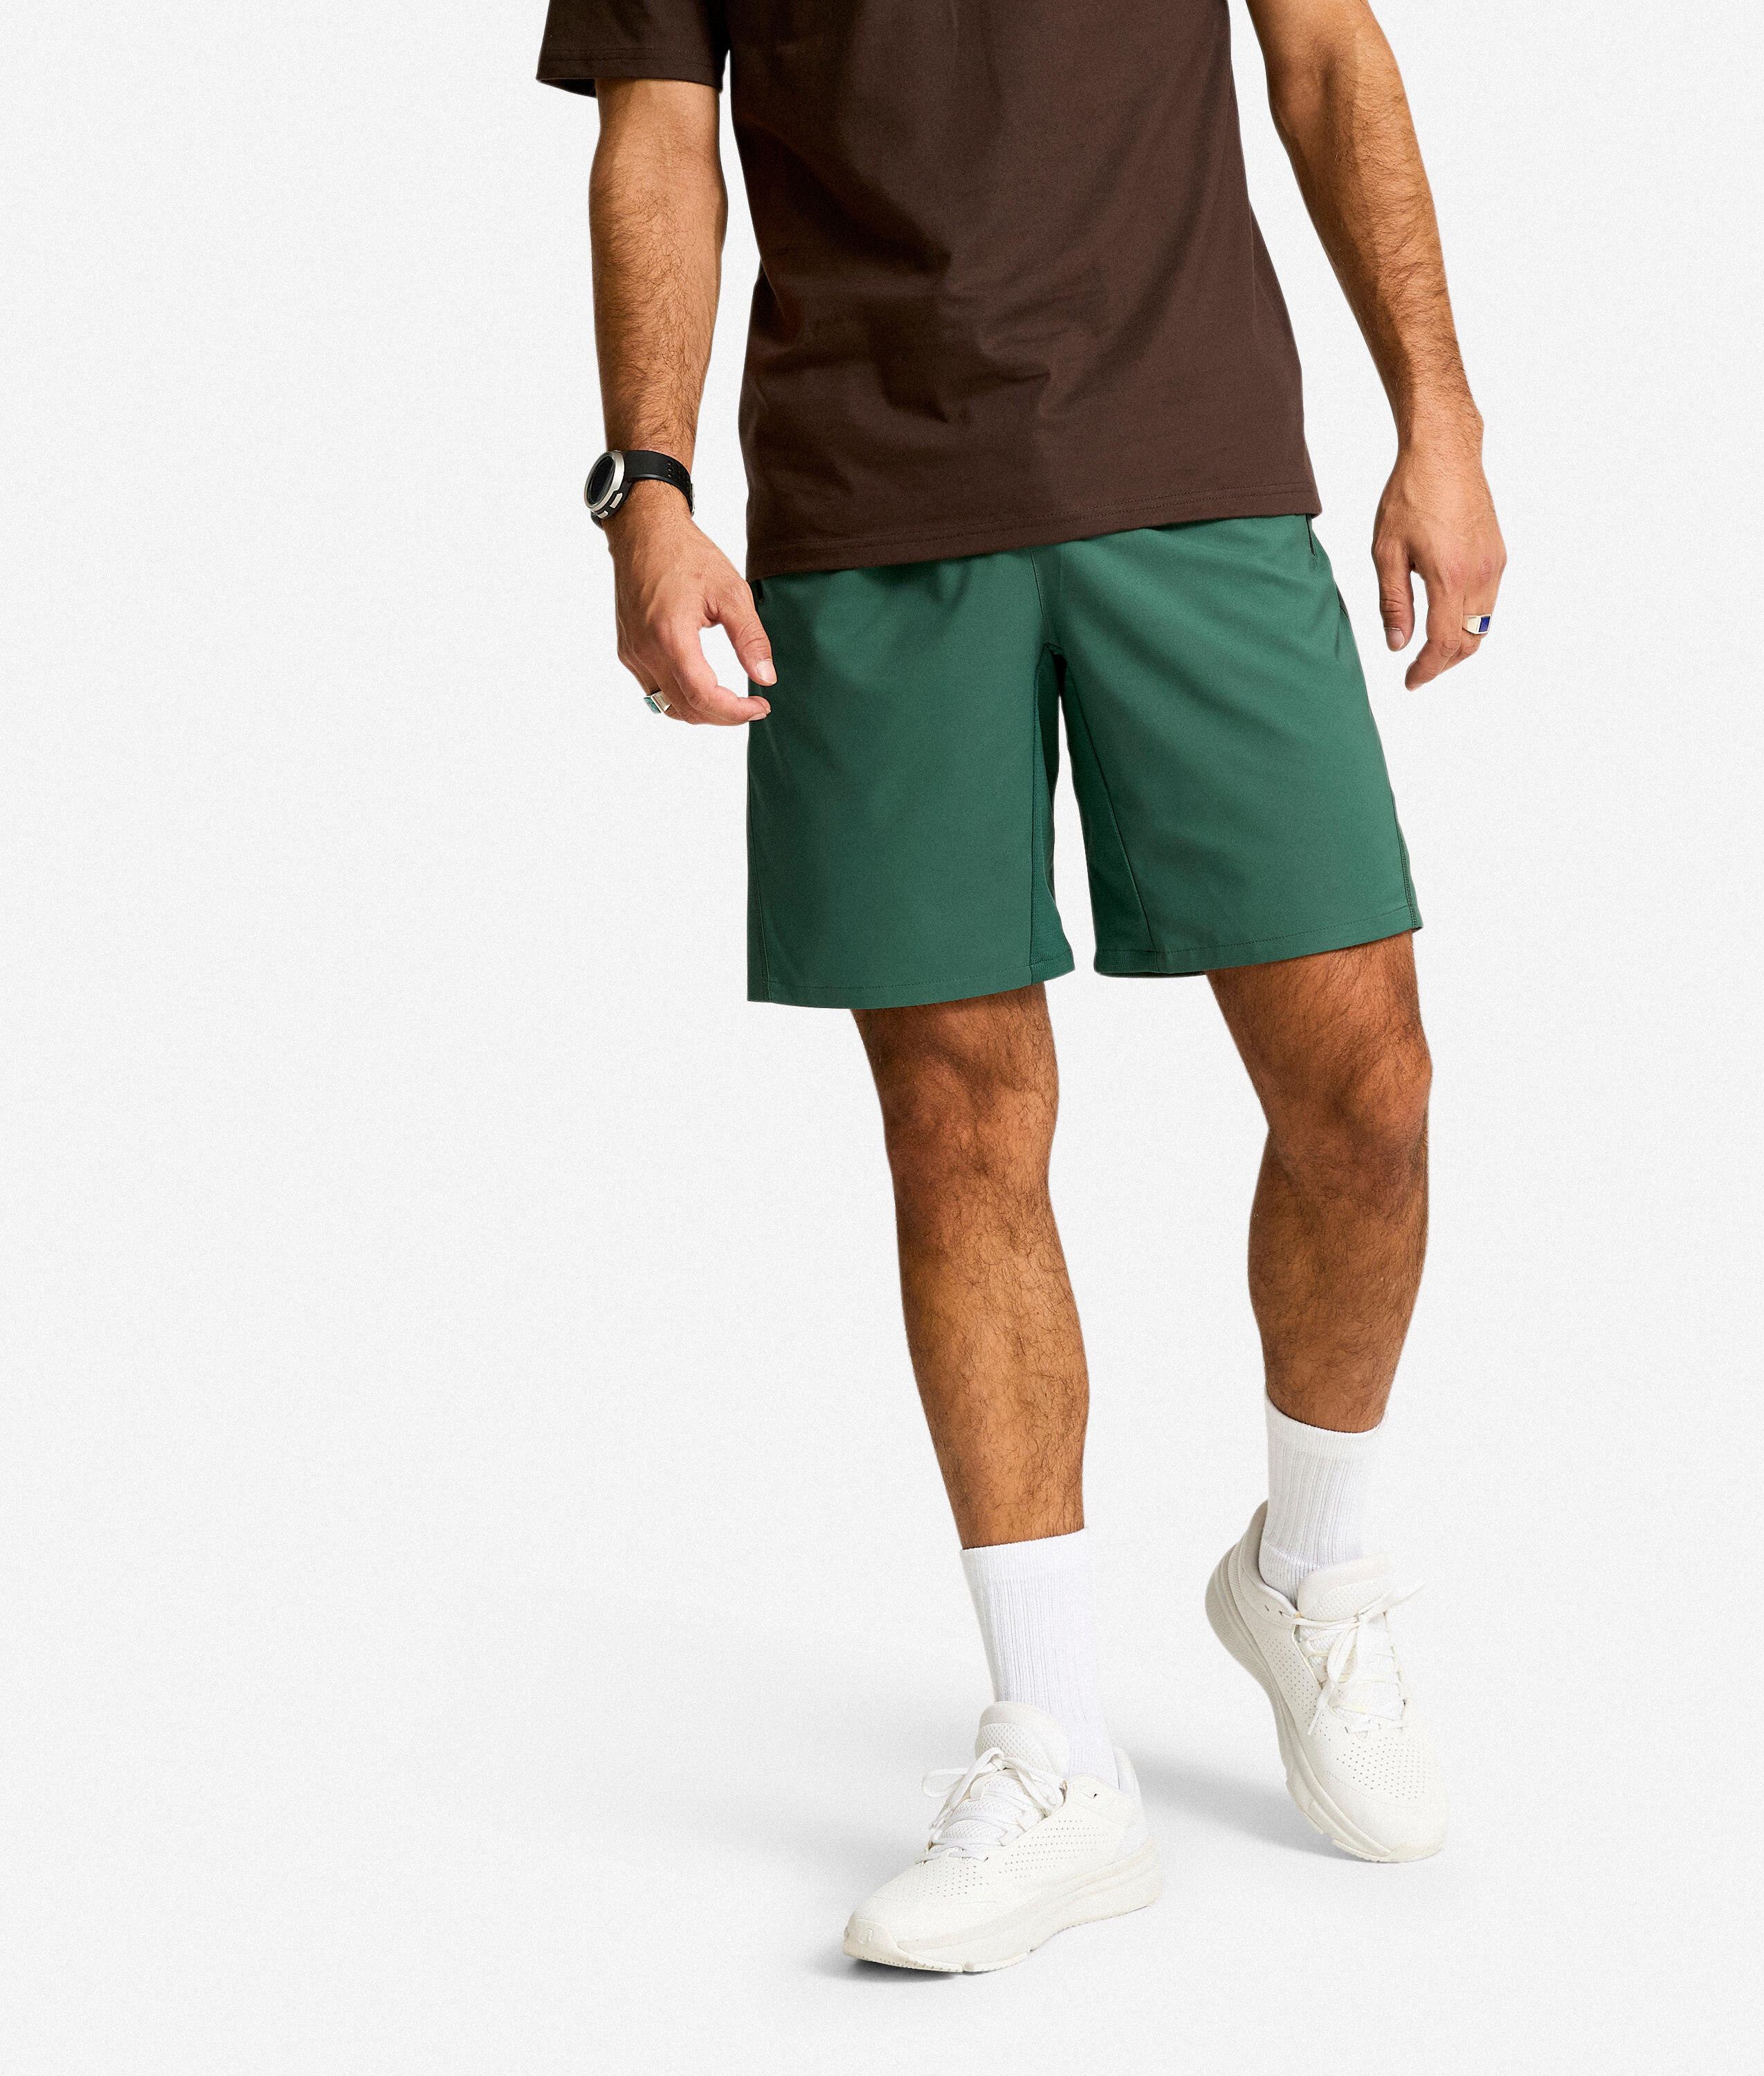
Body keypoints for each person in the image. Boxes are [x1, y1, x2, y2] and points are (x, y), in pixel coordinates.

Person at [538, 0, 1504, 1972]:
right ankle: (1056, 1749)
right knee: (959, 1122)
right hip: (871, 505)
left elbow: (1325, 49)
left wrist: (1443, 416)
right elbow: (657, 129)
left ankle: (1312, 1572)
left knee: (1368, 1089)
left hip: (1197, 465)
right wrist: (650, 484)